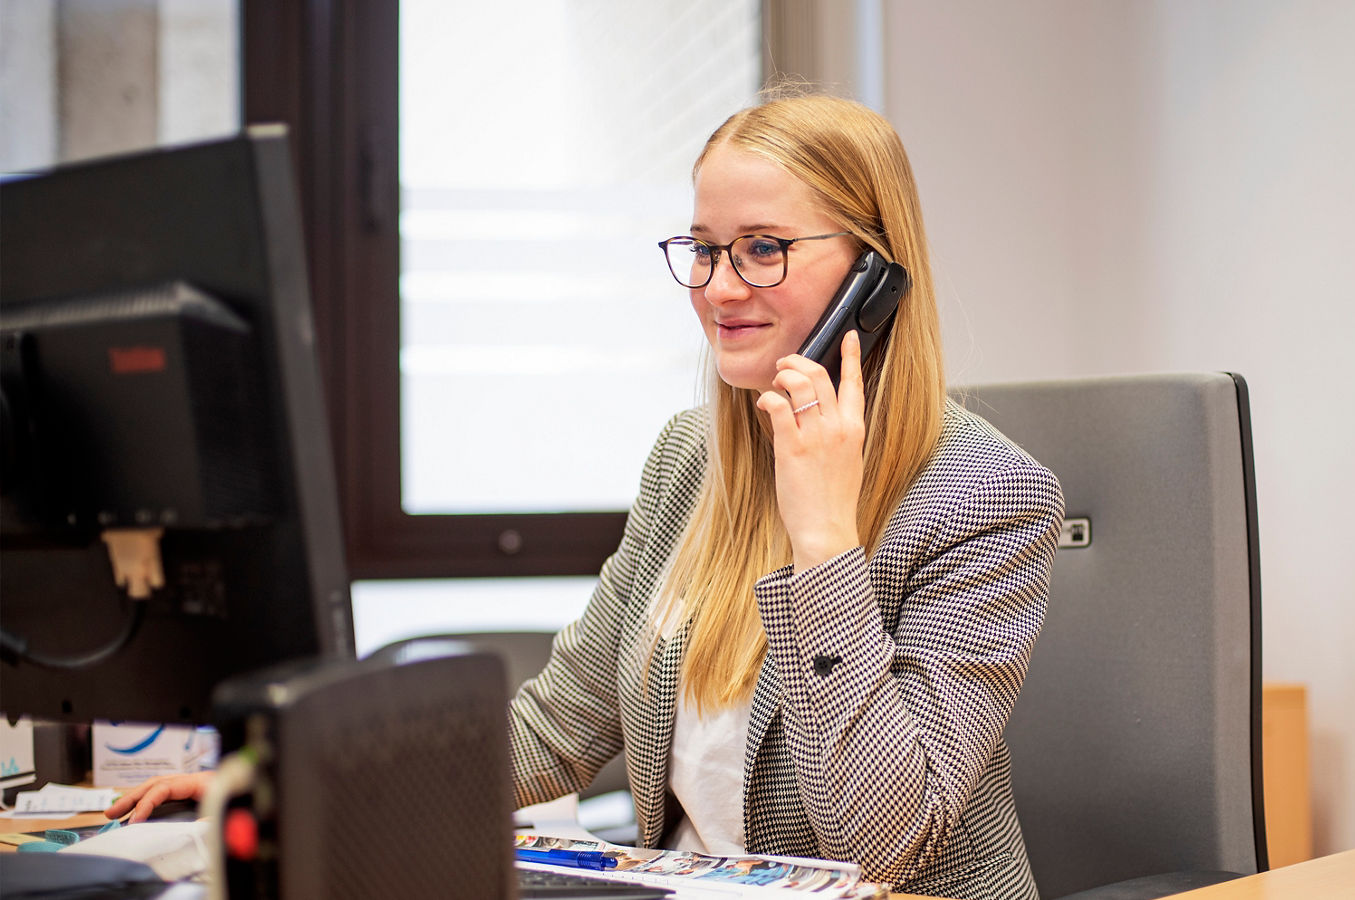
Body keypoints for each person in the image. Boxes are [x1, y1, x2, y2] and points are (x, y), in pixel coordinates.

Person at [110, 91, 1065, 900]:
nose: (718, 287)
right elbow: (559, 729)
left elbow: (883, 836)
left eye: (763, 248)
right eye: (702, 247)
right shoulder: (692, 459)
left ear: (876, 277)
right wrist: (281, 789)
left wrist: (823, 539)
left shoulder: (988, 498)